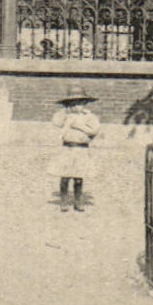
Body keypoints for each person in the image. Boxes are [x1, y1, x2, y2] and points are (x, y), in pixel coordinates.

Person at [48, 83, 101, 212]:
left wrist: (80, 126)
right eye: (72, 104)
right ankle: (64, 201)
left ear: (85, 104)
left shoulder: (89, 117)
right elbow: (56, 123)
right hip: (68, 149)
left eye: (80, 103)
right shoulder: (65, 116)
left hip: (81, 149)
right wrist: (65, 113)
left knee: (79, 176)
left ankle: (78, 201)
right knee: (65, 176)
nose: (76, 107)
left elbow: (94, 131)